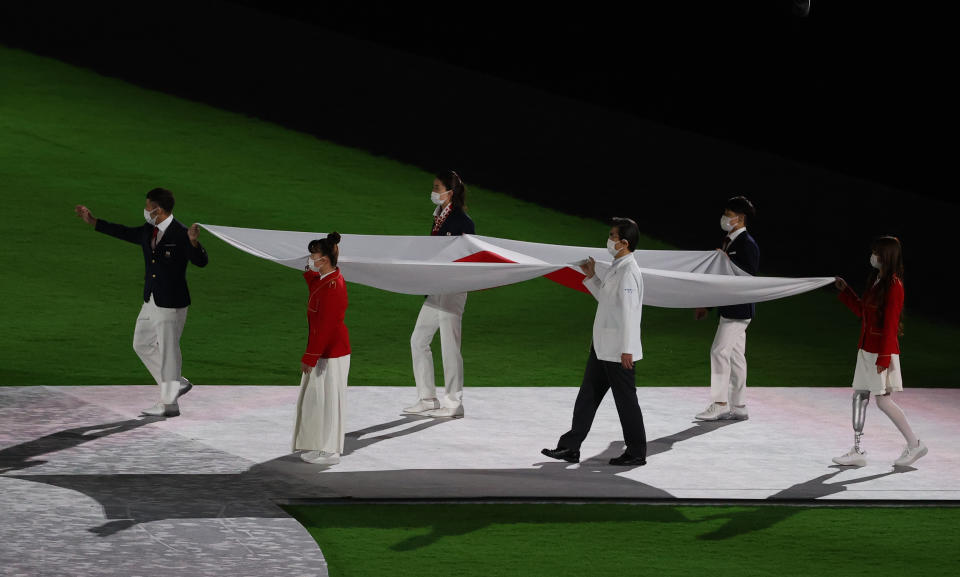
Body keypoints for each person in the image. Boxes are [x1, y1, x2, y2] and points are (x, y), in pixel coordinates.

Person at [74, 188, 208, 417]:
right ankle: (177, 384)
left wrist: (194, 243)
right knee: (141, 343)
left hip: (171, 304)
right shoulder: (150, 230)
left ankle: (169, 404)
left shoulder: (181, 233)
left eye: (148, 207)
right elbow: (125, 232)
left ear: (159, 209)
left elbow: (201, 261)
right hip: (152, 299)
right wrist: (94, 222)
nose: (145, 211)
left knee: (168, 352)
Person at [542, 218, 647, 466]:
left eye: (612, 236)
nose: (608, 240)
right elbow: (608, 301)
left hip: (619, 351)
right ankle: (570, 447)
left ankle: (636, 452)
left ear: (624, 243)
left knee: (626, 402)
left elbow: (630, 312)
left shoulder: (629, 271)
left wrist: (628, 349)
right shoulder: (617, 266)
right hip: (603, 348)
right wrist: (591, 277)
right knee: (587, 396)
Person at [832, 236, 927, 467]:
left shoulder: (894, 286)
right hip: (866, 349)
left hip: (879, 353)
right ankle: (857, 451)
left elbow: (891, 325)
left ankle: (914, 444)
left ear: (886, 256)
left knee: (883, 402)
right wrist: (847, 293)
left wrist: (884, 357)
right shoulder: (877, 280)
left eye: (876, 252)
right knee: (860, 396)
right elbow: (864, 313)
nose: (872, 256)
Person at [403, 170, 476, 418]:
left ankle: (454, 403)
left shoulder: (463, 222)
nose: (433, 191)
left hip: (452, 289)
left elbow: (468, 257)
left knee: (449, 345)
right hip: (436, 289)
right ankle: (427, 398)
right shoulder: (438, 218)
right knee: (418, 340)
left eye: (437, 187)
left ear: (449, 192)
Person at [694, 196, 760, 421]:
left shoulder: (747, 244)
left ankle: (720, 403)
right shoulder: (729, 241)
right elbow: (722, 278)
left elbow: (747, 277)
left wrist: (726, 261)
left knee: (718, 351)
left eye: (728, 214)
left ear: (739, 218)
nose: (724, 218)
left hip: (738, 310)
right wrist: (708, 305)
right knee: (735, 356)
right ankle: (739, 406)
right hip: (730, 309)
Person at [293, 233, 351, 466]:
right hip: (327, 350)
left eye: (313, 256)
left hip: (332, 352)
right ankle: (321, 445)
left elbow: (327, 326)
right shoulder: (326, 279)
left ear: (324, 259)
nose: (310, 259)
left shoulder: (333, 286)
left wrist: (311, 356)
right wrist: (308, 271)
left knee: (330, 401)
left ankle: (331, 451)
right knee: (318, 400)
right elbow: (314, 285)